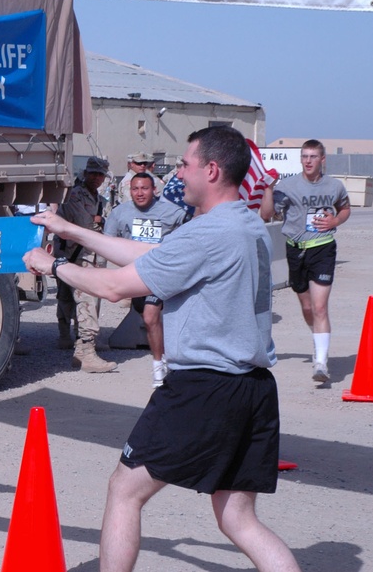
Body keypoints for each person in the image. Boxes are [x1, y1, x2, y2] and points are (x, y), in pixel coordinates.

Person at [23, 126, 299, 572]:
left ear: (211, 170)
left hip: (204, 387)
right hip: (254, 388)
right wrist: (69, 228)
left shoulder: (205, 233)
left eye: (186, 165)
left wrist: (51, 264)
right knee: (238, 518)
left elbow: (113, 287)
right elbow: (148, 252)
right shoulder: (246, 223)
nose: (179, 175)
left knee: (124, 490)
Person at [260, 139, 351, 382]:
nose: (308, 161)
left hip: (322, 248)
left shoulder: (334, 186)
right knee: (308, 307)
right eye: (304, 156)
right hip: (295, 250)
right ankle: (318, 339)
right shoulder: (289, 186)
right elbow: (267, 214)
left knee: (320, 306)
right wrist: (268, 189)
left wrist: (335, 222)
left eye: (313, 157)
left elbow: (344, 208)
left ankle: (320, 362)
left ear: (323, 160)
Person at [103, 172, 186, 387]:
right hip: (136, 275)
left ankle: (159, 367)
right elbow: (107, 243)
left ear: (154, 190)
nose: (140, 193)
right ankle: (168, 358)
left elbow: (187, 242)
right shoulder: (119, 213)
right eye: (135, 189)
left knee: (151, 317)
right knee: (151, 319)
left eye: (145, 188)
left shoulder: (173, 212)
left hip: (162, 274)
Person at [53, 156, 117, 373]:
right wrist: (98, 223)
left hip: (84, 254)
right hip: (75, 253)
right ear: (86, 173)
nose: (97, 178)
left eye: (101, 175)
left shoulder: (96, 197)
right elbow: (84, 226)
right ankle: (79, 346)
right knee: (80, 299)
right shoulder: (76, 194)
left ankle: (80, 347)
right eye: (94, 174)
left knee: (81, 298)